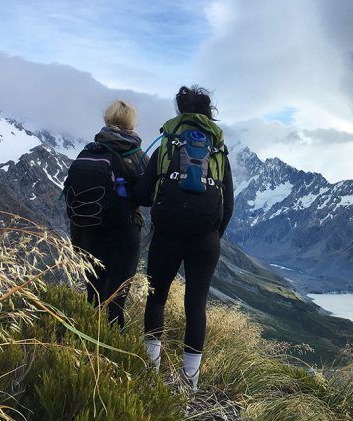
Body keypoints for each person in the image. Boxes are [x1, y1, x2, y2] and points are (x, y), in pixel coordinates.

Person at [133, 85, 234, 390]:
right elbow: (228, 204)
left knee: (157, 298)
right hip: (205, 239)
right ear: (208, 114)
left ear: (180, 111)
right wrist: (212, 234)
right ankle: (189, 385)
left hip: (167, 235)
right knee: (196, 305)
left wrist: (165, 204)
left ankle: (151, 374)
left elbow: (142, 194)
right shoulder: (218, 149)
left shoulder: (168, 144)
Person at [65, 100, 148, 329]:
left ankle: (85, 345)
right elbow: (149, 196)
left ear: (107, 119)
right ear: (132, 123)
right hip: (125, 231)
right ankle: (109, 354)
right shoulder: (136, 155)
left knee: (93, 294)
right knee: (116, 299)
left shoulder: (90, 150)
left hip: (88, 230)